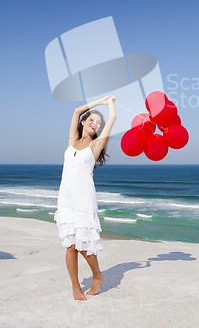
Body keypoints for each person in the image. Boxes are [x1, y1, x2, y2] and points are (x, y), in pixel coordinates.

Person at [54, 95, 117, 301]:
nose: (95, 124)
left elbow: (113, 119)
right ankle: (75, 287)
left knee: (83, 246)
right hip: (66, 200)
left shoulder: (95, 146)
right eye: (92, 120)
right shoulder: (72, 141)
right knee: (70, 247)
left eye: (98, 123)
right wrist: (99, 102)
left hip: (83, 200)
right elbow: (75, 111)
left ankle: (97, 275)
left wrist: (109, 105)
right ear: (84, 122)